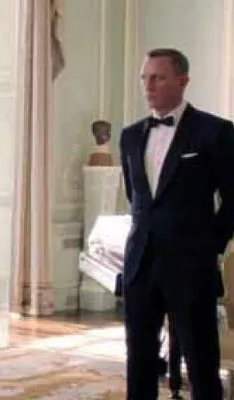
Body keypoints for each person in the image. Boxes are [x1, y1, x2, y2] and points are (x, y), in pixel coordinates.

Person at [119, 48, 234, 399]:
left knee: (201, 361)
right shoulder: (130, 136)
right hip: (141, 263)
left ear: (183, 81)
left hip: (191, 263)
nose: (148, 86)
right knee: (139, 359)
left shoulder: (215, 132)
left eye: (158, 77)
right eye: (145, 78)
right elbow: (138, 198)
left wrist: (209, 245)